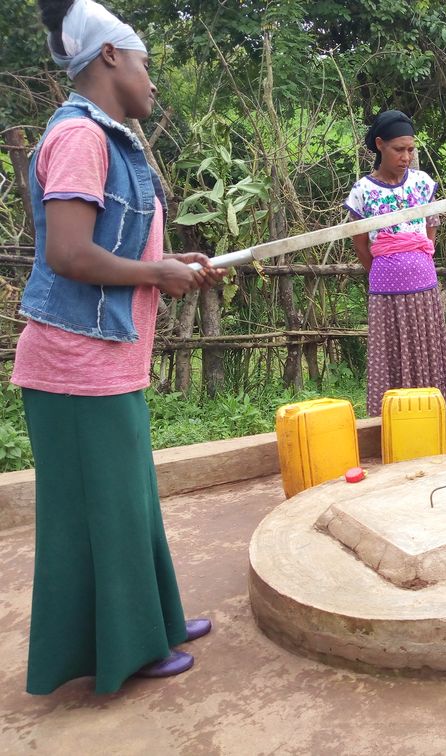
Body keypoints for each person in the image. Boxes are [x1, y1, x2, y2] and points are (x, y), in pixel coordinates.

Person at [13, 0, 224, 694]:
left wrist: (169, 262)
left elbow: (119, 247)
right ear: (110, 58)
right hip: (74, 365)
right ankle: (121, 651)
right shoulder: (81, 137)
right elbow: (71, 253)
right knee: (100, 512)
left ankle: (153, 622)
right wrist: (157, 274)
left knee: (129, 500)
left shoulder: (111, 136)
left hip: (108, 358)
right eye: (144, 63)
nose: (152, 81)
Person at [345, 110, 446, 417]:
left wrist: (415, 258)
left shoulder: (422, 184)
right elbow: (360, 243)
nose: (406, 156)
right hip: (386, 292)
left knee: (426, 351)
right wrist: (385, 270)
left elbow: (430, 228)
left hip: (423, 286)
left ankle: (432, 418)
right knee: (391, 353)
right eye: (398, 149)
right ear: (380, 145)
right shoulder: (363, 191)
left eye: (410, 149)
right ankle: (392, 423)